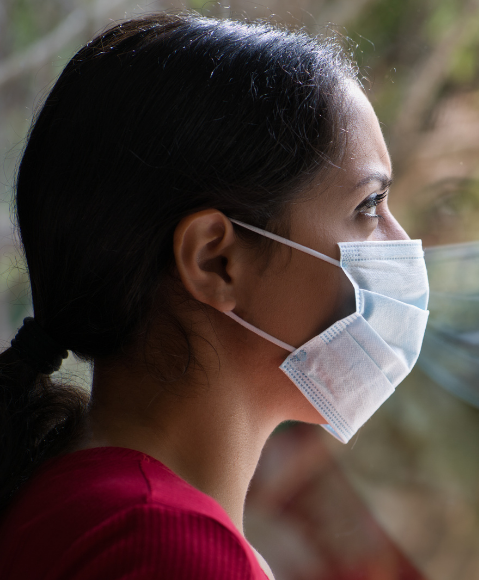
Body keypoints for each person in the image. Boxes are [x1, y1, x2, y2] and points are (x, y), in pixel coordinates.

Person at [0, 12, 428, 579]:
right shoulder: (165, 546)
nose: (402, 246)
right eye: (368, 207)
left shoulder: (81, 497)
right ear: (215, 260)